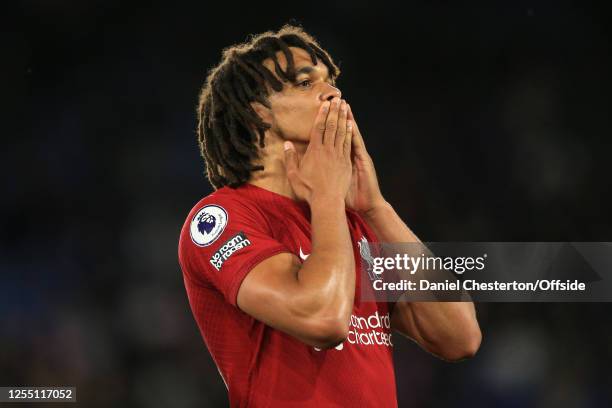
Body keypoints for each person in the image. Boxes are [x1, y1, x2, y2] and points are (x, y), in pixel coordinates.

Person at [178, 25, 481, 407]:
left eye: (331, 82)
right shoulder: (223, 216)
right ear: (258, 113)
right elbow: (323, 320)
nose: (334, 93)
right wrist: (327, 198)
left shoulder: (352, 221)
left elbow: (460, 336)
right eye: (306, 83)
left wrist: (376, 208)